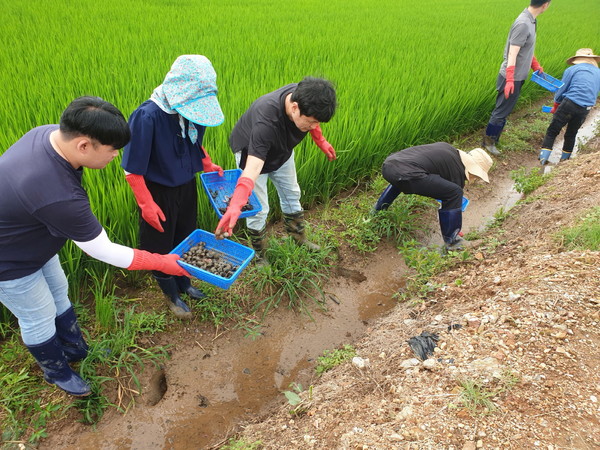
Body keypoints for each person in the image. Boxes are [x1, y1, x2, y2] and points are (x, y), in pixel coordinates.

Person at [0, 97, 190, 397]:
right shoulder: (57, 193)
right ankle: (57, 371)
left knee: (58, 291)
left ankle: (74, 346)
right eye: (112, 149)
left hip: (34, 237)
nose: (116, 155)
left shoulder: (48, 135)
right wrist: (162, 262)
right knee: (37, 313)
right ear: (84, 146)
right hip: (9, 259)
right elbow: (103, 250)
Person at [122, 55, 225, 319]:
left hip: (186, 185)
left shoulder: (193, 110)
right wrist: (146, 204)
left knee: (186, 235)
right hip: (158, 193)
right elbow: (132, 169)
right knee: (160, 244)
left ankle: (185, 283)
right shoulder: (147, 116)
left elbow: (194, 142)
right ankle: (172, 295)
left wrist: (207, 163)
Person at [214, 77, 337, 265]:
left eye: (316, 123)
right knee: (259, 209)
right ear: (294, 107)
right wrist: (237, 204)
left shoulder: (306, 96)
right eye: (311, 122)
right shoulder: (267, 121)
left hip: (282, 150)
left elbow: (314, 120)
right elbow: (253, 168)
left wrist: (321, 141)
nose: (313, 126)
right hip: (252, 154)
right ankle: (260, 255)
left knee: (292, 193)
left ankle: (298, 238)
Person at [373, 143, 493, 252]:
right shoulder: (458, 170)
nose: (474, 178)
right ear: (472, 168)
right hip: (407, 174)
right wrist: (454, 227)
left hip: (389, 166)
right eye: (476, 175)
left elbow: (437, 188)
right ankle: (453, 242)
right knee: (455, 192)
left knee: (402, 179)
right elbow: (449, 200)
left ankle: (377, 211)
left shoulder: (448, 150)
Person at [483, 0, 552, 156]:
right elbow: (512, 53)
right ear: (545, 4)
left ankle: (494, 138)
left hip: (517, 76)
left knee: (505, 109)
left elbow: (526, 49)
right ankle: (488, 142)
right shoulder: (523, 23)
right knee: (501, 111)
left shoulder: (531, 21)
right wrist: (509, 79)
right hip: (511, 77)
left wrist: (535, 65)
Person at [539, 48, 600, 164]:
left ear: (577, 60)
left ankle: (543, 160)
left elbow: (562, 89)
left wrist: (556, 105)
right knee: (571, 133)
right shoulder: (598, 73)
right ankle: (564, 161)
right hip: (586, 108)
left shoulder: (572, 69)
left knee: (553, 130)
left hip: (569, 103)